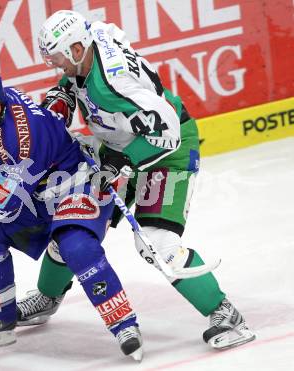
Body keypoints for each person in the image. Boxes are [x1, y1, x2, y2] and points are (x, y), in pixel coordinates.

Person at [16, 10, 256, 350]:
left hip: (164, 153)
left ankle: (225, 312)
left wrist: (123, 161)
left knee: (156, 243)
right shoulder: (89, 42)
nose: (57, 66)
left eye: (58, 58)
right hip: (120, 147)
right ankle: (47, 296)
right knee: (73, 221)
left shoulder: (115, 84)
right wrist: (65, 93)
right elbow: (94, 44)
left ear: (76, 48)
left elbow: (168, 130)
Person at [0, 69, 144, 360]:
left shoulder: (20, 136)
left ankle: (124, 324)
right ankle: (1, 315)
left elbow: (7, 200)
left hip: (77, 186)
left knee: (76, 246)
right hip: (37, 192)